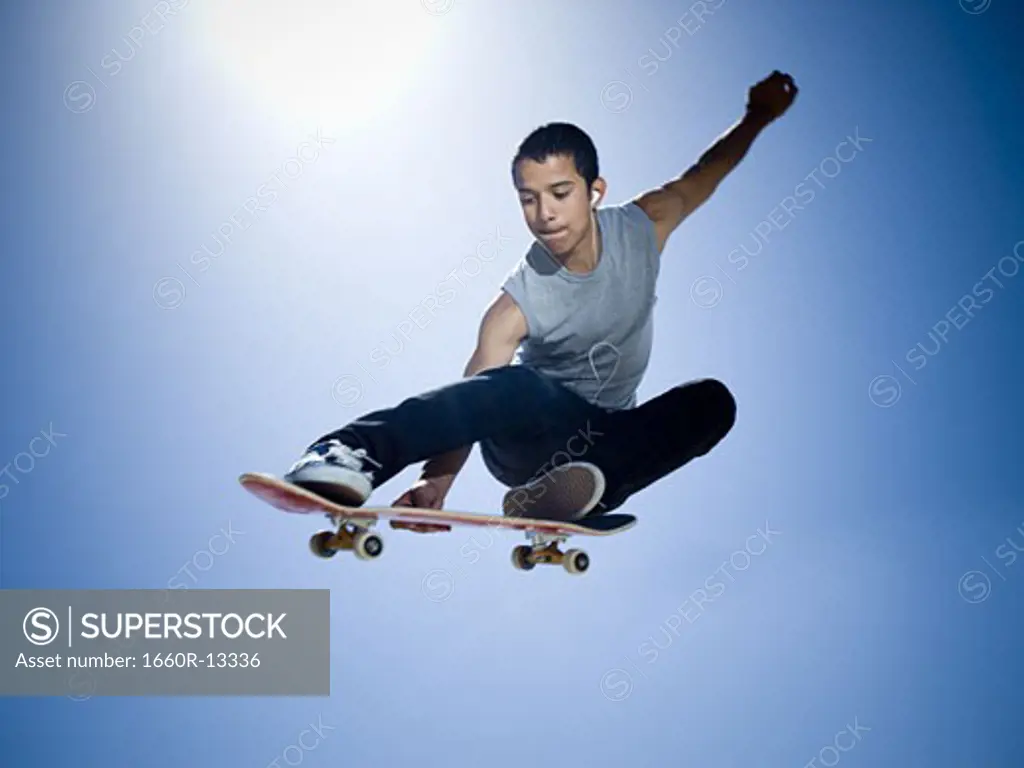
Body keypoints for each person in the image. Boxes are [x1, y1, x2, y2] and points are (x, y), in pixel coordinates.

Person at [285, 70, 798, 522]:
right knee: (521, 385)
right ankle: (349, 450)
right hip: (528, 439)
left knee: (711, 401)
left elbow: (705, 173)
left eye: (559, 193)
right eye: (528, 199)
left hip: (604, 440)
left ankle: (578, 491)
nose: (544, 214)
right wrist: (438, 480)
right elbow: (477, 393)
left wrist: (756, 116)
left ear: (594, 191)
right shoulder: (518, 300)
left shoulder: (644, 225)